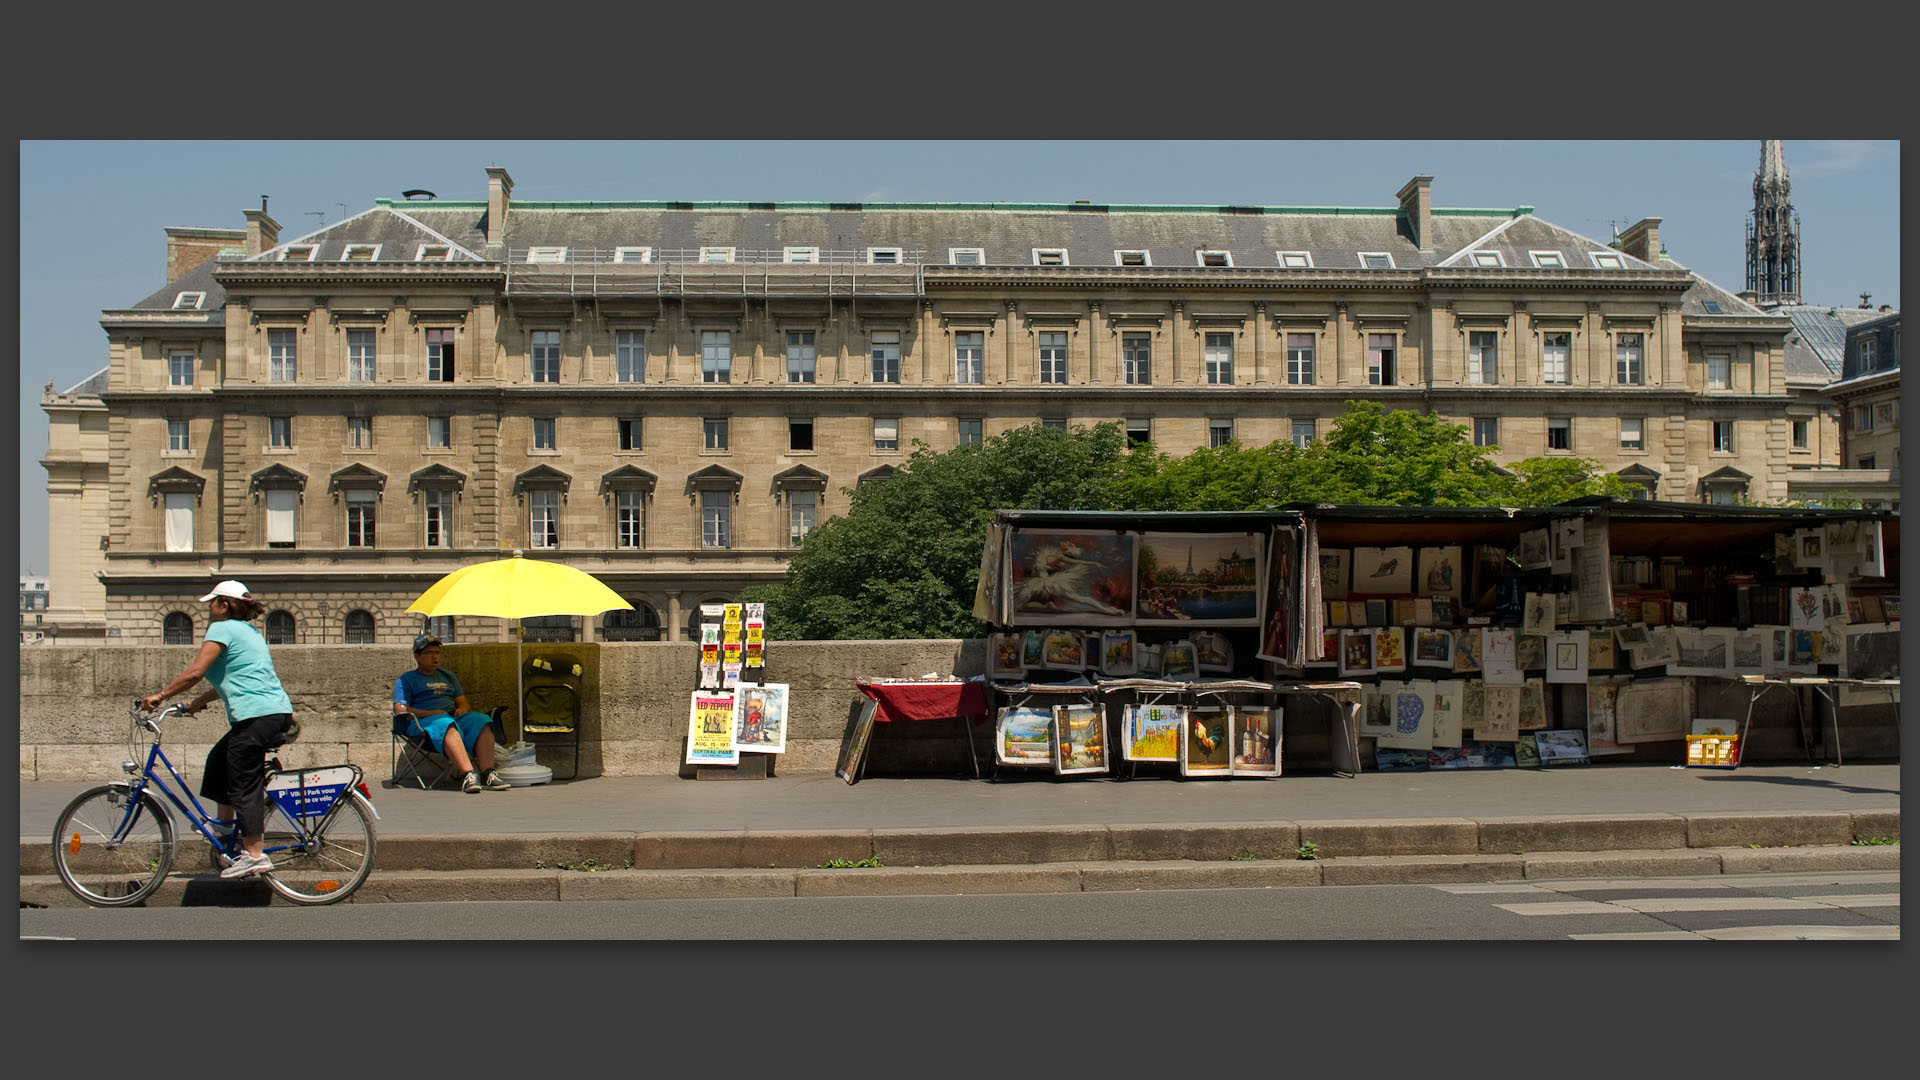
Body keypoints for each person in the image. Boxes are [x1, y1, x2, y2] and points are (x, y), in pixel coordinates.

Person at [140, 580, 296, 879]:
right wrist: (195, 703)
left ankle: (254, 855)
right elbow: (234, 677)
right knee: (219, 760)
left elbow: (196, 671)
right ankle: (225, 834)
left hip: (257, 717)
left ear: (224, 605)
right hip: (273, 713)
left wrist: (161, 696)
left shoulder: (222, 628)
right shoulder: (249, 632)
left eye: (212, 602)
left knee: (243, 785)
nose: (208, 609)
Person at [395, 634, 510, 793]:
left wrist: (462, 709)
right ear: (417, 656)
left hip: (452, 717)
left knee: (483, 720)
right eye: (429, 653)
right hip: (424, 723)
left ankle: (487, 773)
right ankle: (468, 775)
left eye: (437, 652)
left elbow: (462, 701)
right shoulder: (405, 680)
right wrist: (431, 713)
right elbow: (400, 709)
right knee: (445, 723)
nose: (435, 657)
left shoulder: (447, 676)